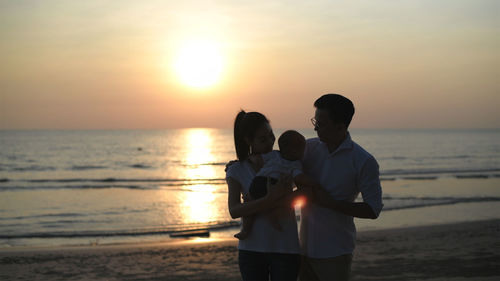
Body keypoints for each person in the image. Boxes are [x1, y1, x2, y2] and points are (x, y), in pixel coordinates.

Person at [299, 94, 383, 281]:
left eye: (321, 123)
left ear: (340, 126)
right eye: (315, 121)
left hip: (335, 252)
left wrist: (332, 204)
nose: (315, 127)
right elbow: (277, 165)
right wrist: (240, 165)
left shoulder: (363, 160)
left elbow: (373, 209)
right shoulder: (307, 148)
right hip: (302, 250)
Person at [226, 111, 302, 281]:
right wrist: (268, 201)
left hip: (285, 248)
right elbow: (234, 210)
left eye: (271, 135)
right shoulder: (237, 169)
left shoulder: (285, 159)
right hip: (251, 250)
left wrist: (264, 202)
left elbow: (304, 192)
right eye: (262, 139)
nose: (270, 142)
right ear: (248, 140)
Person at [235, 130, 321, 240]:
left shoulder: (274, 154)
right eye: (302, 150)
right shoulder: (295, 164)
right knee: (274, 204)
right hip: (273, 185)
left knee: (249, 202)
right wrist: (314, 183)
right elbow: (299, 177)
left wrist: (240, 163)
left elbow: (256, 160)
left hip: (257, 183)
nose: (303, 153)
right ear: (294, 151)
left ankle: (245, 229)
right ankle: (272, 216)